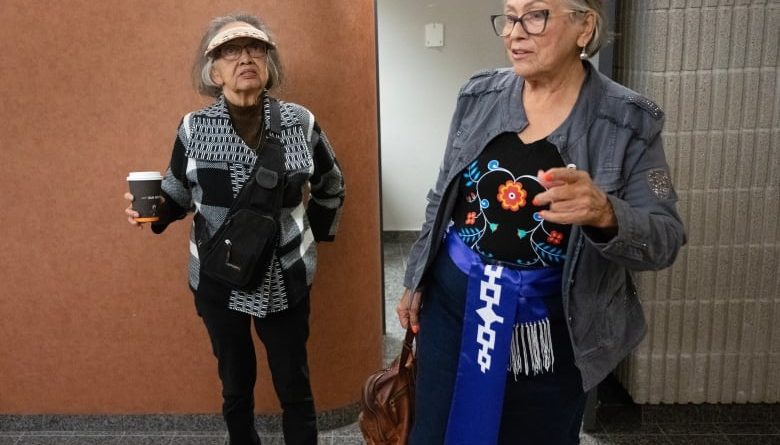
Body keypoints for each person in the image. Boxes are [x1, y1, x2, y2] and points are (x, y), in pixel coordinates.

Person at [396, 0, 685, 444]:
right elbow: (443, 195)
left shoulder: (627, 120)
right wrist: (415, 278)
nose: (515, 32)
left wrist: (606, 213)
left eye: (535, 15)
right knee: (437, 430)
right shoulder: (479, 96)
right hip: (453, 314)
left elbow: (665, 237)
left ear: (584, 27)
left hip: (554, 332)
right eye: (509, 17)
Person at [124, 13, 345, 445]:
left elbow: (331, 184)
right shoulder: (194, 128)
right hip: (217, 276)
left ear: (268, 62)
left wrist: (310, 239)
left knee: (294, 386)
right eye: (230, 50)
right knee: (235, 384)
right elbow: (177, 195)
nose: (245, 57)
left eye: (256, 48)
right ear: (214, 70)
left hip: (286, 275)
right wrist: (151, 212)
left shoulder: (300, 121)